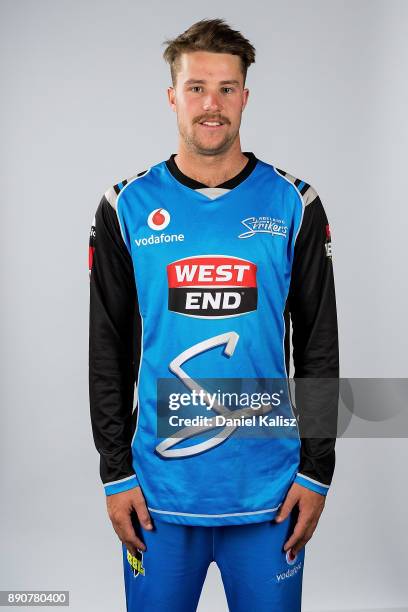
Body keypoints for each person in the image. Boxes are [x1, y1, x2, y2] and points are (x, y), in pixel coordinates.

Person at [88, 18, 339, 612]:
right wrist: (115, 472)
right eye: (196, 87)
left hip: (270, 492)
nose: (212, 104)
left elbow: (319, 346)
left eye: (227, 88)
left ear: (245, 97)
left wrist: (317, 470)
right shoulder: (125, 206)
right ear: (172, 95)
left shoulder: (293, 202)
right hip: (157, 493)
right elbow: (109, 347)